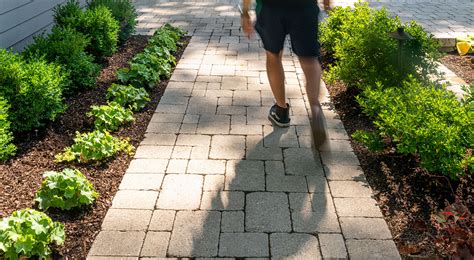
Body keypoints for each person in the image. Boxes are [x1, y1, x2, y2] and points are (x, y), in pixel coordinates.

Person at [241, 0, 330, 147]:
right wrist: (326, 2)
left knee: (274, 55)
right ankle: (315, 108)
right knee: (309, 59)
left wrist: (245, 12)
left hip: (271, 8)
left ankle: (281, 111)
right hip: (304, 7)